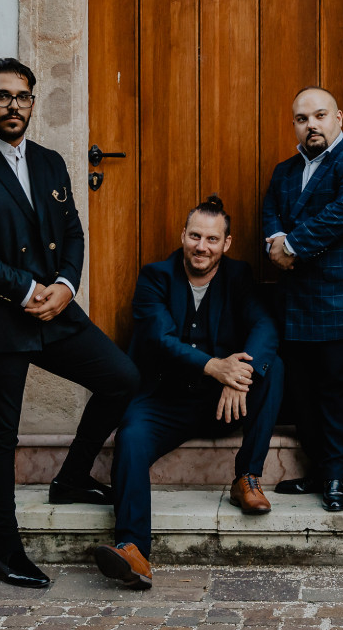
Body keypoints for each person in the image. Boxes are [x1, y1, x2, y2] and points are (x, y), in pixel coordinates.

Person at [0, 57, 140, 589]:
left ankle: (71, 479)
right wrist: (24, 289)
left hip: (52, 308)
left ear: (31, 102)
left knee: (121, 378)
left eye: (22, 96)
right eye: (2, 96)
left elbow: (72, 231)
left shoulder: (48, 161)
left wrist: (66, 285)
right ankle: (4, 549)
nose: (13, 106)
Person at [95, 196, 283, 590]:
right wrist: (215, 366)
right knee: (130, 437)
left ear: (226, 243)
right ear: (183, 235)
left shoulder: (238, 275)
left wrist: (239, 375)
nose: (202, 246)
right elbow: (159, 339)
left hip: (222, 404)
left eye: (212, 239)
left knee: (272, 367)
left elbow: (264, 323)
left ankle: (247, 477)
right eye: (195, 236)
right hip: (166, 400)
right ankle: (133, 549)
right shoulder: (155, 277)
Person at [262, 86, 343, 512]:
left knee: (338, 392)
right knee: (304, 393)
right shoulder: (284, 171)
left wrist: (291, 246)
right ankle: (317, 470)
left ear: (339, 117)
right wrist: (275, 239)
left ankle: (337, 477)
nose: (311, 125)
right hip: (297, 302)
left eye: (319, 115)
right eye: (302, 119)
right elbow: (270, 211)